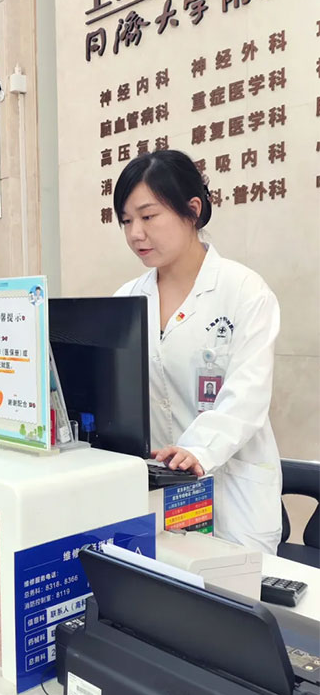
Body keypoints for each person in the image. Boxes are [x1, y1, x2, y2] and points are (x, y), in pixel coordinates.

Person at [113, 150, 281, 554]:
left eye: (148, 216)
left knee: (230, 589)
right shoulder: (125, 300)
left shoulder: (244, 292)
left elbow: (247, 396)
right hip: (156, 496)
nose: (136, 234)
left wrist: (198, 450)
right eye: (126, 221)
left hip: (232, 497)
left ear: (193, 210)